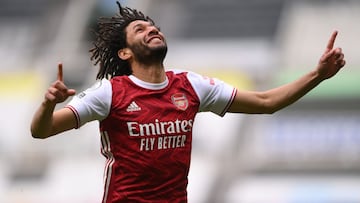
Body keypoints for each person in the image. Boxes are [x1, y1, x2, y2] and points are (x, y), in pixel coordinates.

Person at [30, 2, 346, 203]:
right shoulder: (110, 92)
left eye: (153, 26)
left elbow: (265, 102)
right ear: (124, 53)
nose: (152, 28)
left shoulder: (191, 85)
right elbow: (41, 131)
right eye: (140, 29)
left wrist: (317, 75)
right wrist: (48, 104)